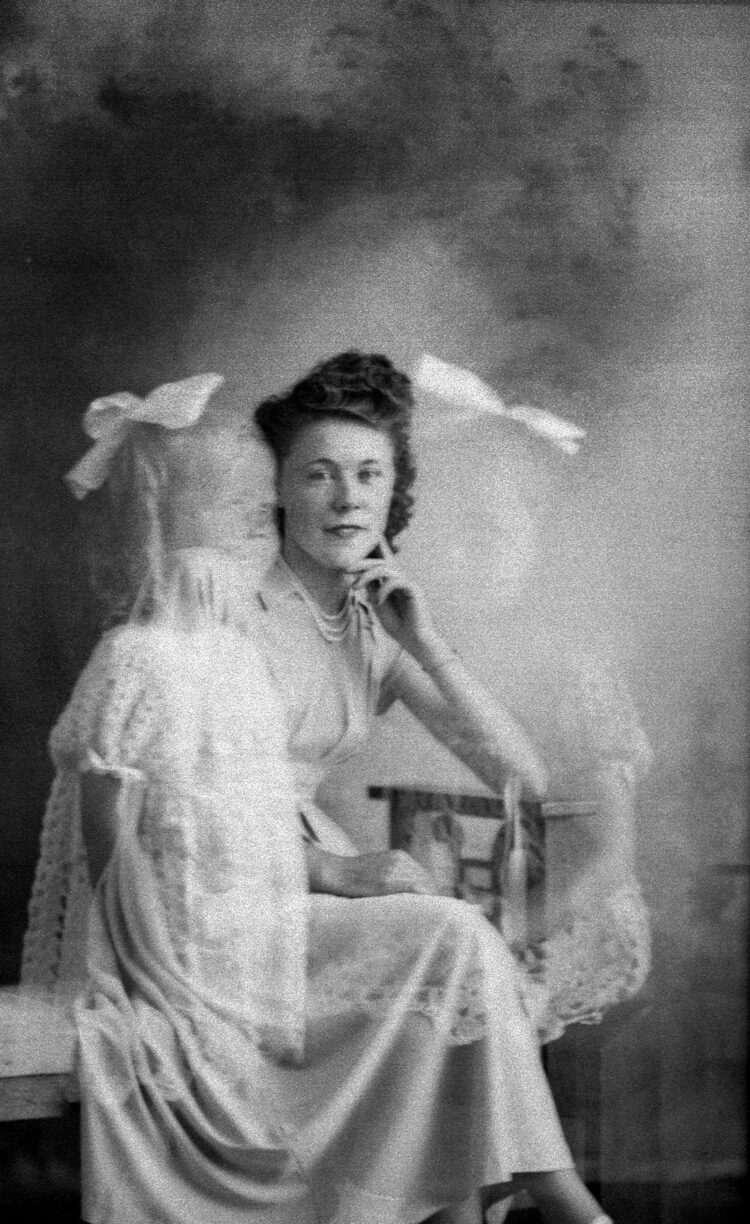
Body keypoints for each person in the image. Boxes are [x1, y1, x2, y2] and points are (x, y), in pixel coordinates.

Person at [21, 355, 615, 1224]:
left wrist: (428, 642)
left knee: (447, 963)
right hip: (219, 893)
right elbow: (165, 821)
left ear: (394, 495)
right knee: (451, 937)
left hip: (304, 886)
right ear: (279, 494)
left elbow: (521, 779)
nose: (347, 501)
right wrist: (336, 871)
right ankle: (559, 1202)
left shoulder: (371, 624)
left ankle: (479, 1209)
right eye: (319, 476)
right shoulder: (223, 608)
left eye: (370, 476)